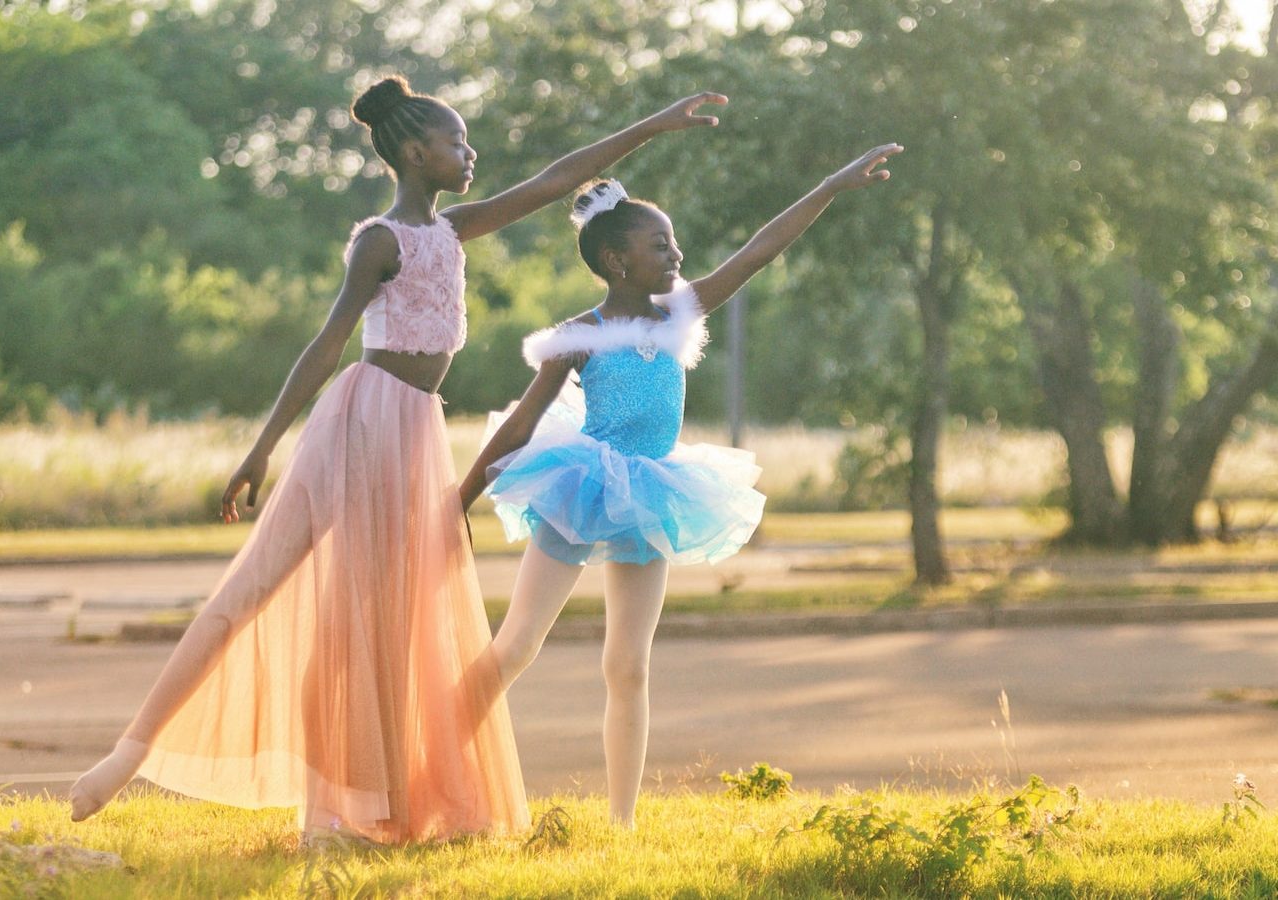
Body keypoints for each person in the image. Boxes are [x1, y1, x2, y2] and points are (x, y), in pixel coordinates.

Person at [67, 74, 728, 844]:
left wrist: (656, 123)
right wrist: (262, 447)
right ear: (416, 152)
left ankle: (366, 806)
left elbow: (560, 178)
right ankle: (130, 757)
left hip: (417, 428)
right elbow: (327, 343)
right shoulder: (378, 240)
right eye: (456, 141)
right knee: (270, 587)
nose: (470, 152)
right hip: (362, 416)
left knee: (387, 621)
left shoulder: (455, 231)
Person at [460, 142, 903, 827]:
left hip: (652, 494)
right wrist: (454, 501)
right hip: (582, 486)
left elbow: (759, 251)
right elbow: (522, 422)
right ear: (617, 261)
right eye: (659, 246)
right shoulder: (581, 334)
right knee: (516, 645)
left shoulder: (680, 316)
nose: (675, 255)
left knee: (628, 666)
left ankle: (622, 821)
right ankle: (431, 760)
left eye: (674, 244)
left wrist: (832, 185)